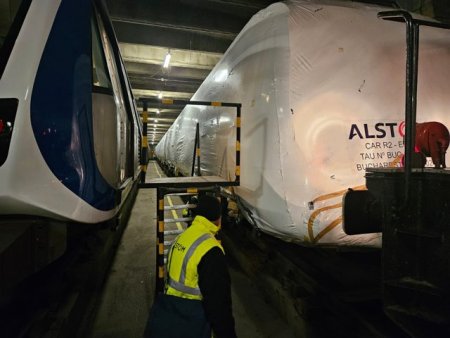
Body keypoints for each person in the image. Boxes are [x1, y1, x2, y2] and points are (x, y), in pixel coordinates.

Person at [145, 194, 237, 338]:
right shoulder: (211, 250)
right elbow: (219, 305)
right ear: (218, 219)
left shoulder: (182, 237)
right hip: (192, 320)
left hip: (170, 314)